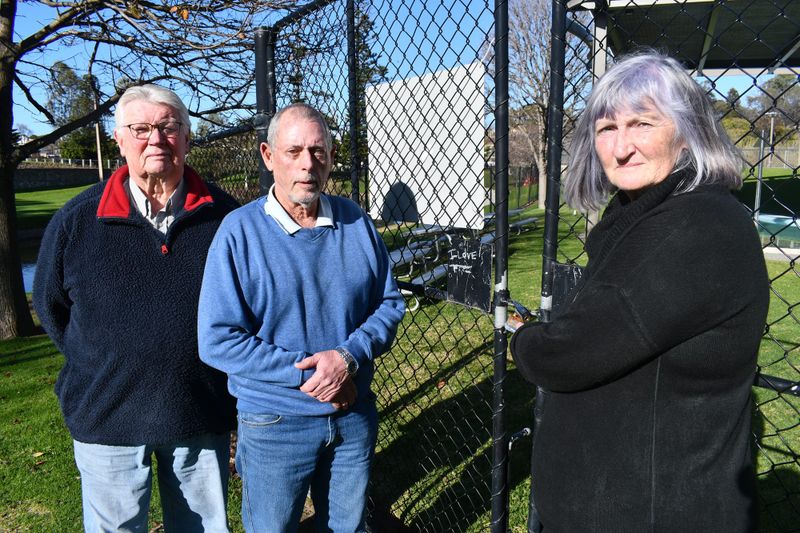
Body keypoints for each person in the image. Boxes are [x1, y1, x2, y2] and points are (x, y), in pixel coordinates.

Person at [510, 51, 769, 532]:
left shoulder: (694, 228)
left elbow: (573, 352)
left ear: (688, 131)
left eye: (643, 123)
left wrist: (521, 340)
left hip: (652, 511)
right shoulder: (642, 215)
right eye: (607, 128)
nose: (621, 147)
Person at [33, 84, 238, 532]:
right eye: (140, 128)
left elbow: (249, 304)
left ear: (186, 137)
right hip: (107, 412)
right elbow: (51, 308)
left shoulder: (226, 217)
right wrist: (104, 359)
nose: (156, 140)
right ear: (119, 139)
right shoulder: (77, 220)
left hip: (199, 409)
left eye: (168, 127)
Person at [197, 102, 405, 532]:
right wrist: (313, 373)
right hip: (275, 423)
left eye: (319, 151)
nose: (308, 165)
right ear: (268, 156)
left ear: (331, 156)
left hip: (351, 415)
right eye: (294, 152)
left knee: (347, 527)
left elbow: (389, 303)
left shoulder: (357, 222)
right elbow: (217, 338)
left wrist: (346, 358)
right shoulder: (238, 233)